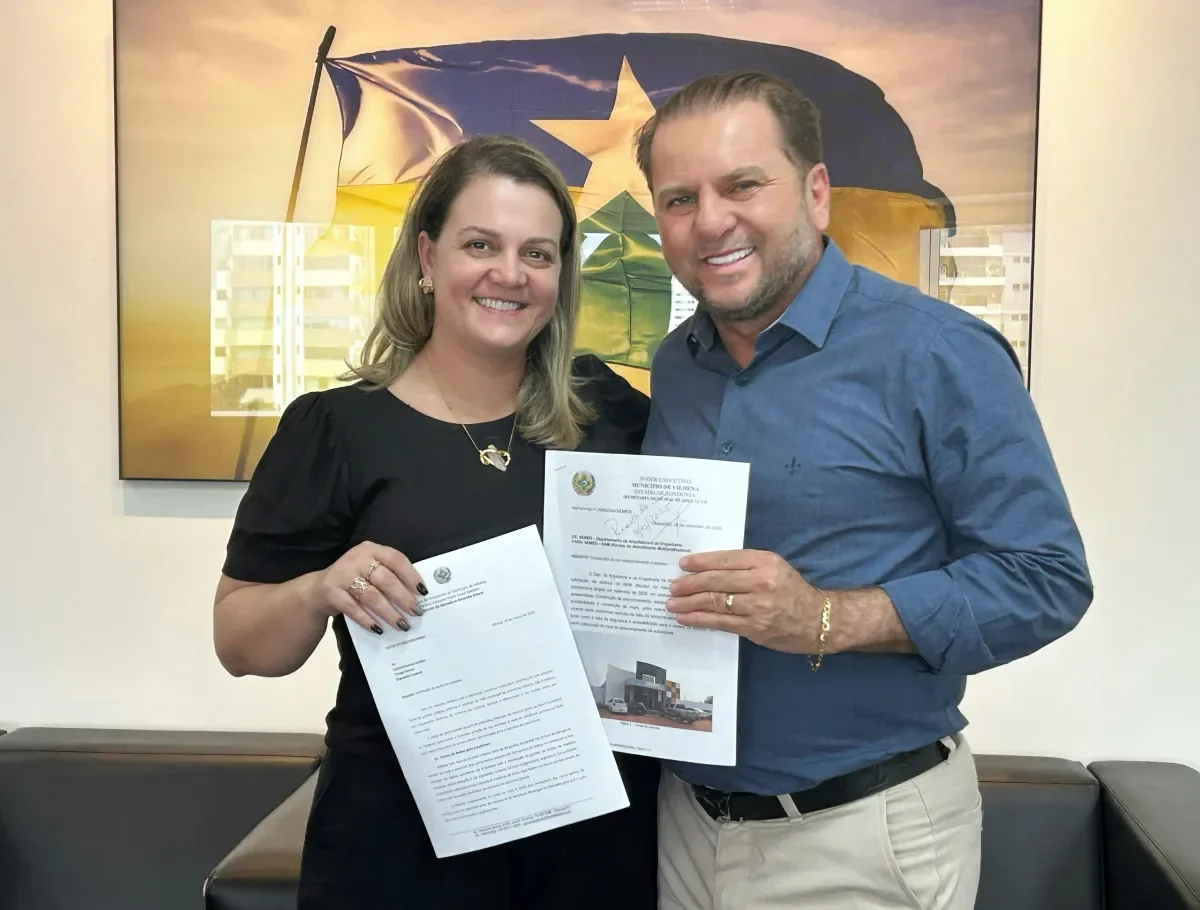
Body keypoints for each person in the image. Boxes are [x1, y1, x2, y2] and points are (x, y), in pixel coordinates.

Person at [633, 72, 1093, 910]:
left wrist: (826, 617)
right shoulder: (677, 365)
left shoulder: (938, 352)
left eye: (742, 185)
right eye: (679, 199)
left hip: (862, 836)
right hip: (685, 826)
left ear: (816, 193)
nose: (710, 221)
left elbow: (1046, 579)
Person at [212, 135, 659, 910]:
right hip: (400, 848)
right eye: (480, 244)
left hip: (589, 844)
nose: (509, 274)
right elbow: (240, 643)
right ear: (426, 256)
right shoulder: (336, 430)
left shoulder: (609, 411)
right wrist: (319, 589)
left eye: (537, 254)